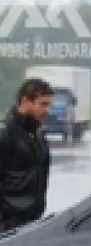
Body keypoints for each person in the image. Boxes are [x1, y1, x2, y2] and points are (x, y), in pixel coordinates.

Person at [0, 78, 52, 232]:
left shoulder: (38, 134)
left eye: (49, 105)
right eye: (43, 104)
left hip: (33, 222)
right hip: (8, 224)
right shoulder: (6, 134)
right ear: (25, 102)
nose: (47, 110)